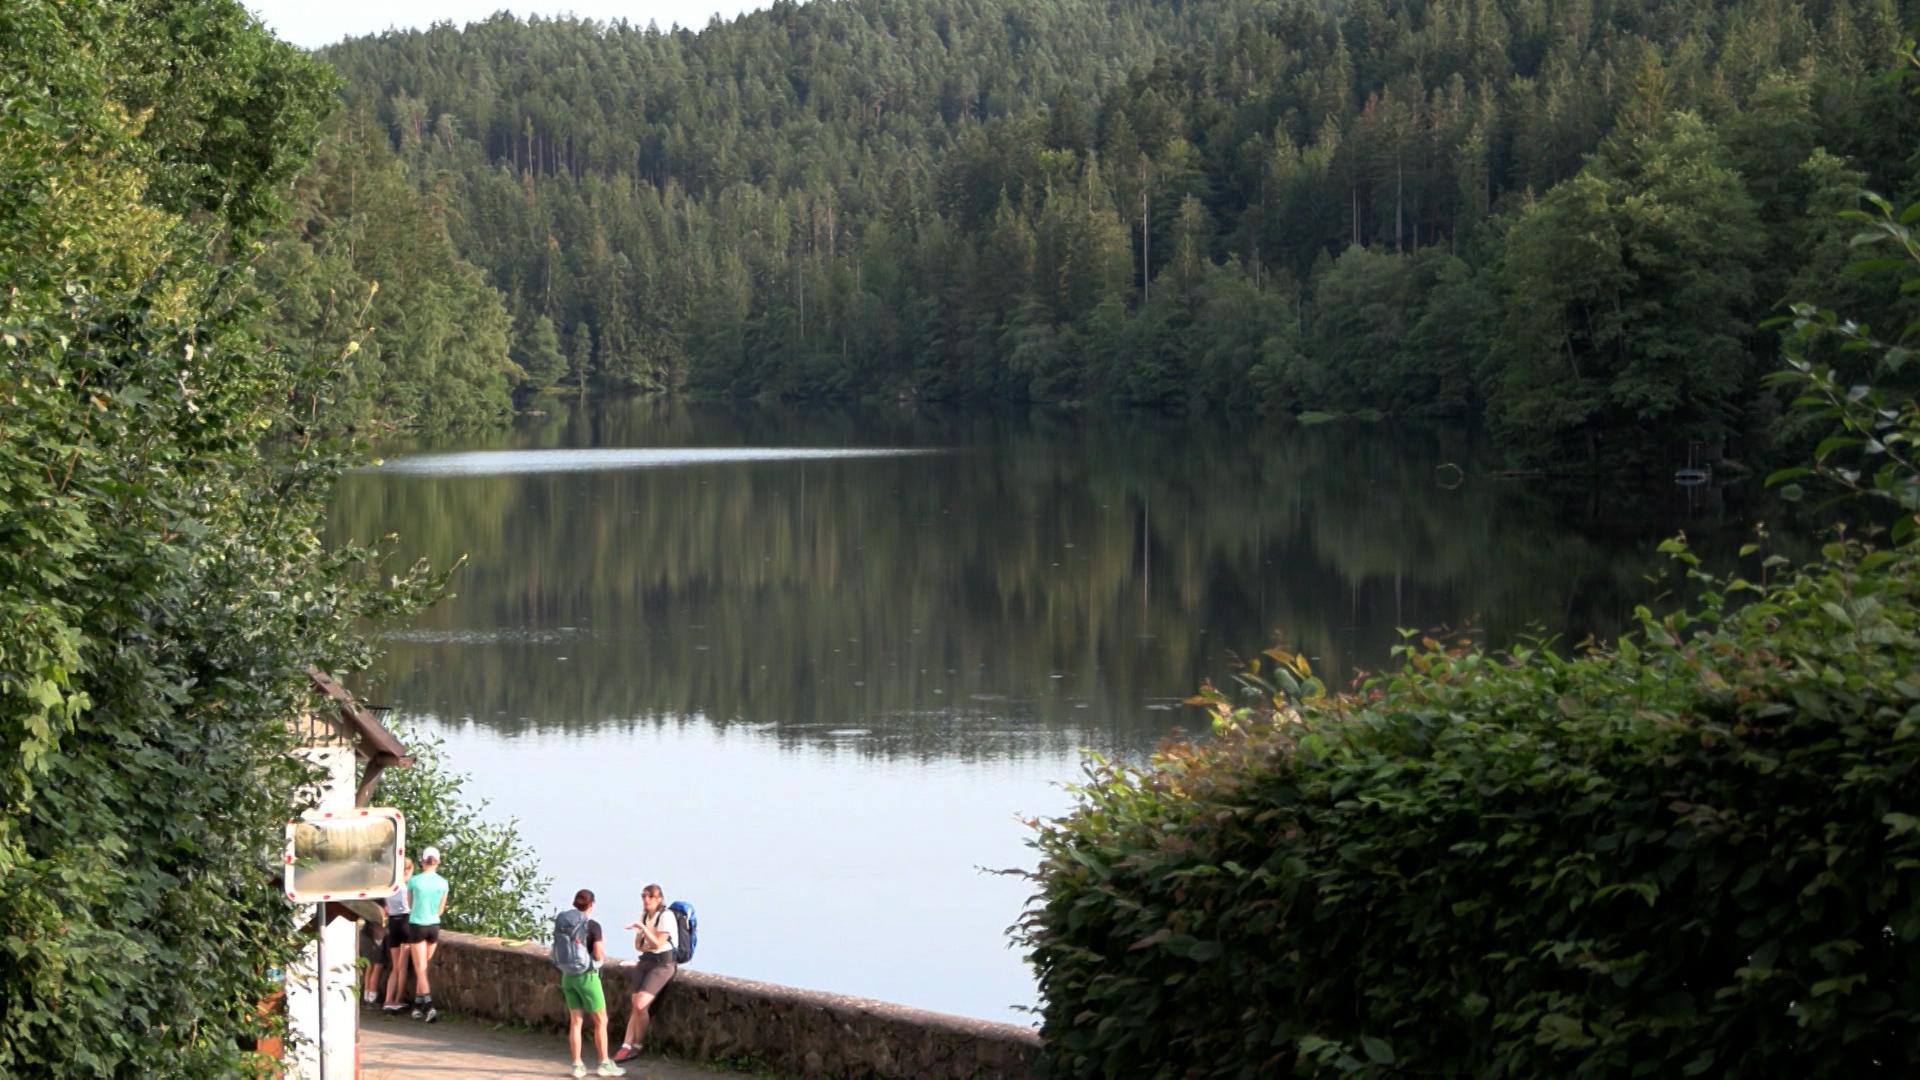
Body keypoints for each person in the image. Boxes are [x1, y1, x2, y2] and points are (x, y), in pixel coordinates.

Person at [558, 889, 624, 1078]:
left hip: (568, 976)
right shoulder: (593, 926)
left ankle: (577, 1065)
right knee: (601, 1020)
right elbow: (597, 954)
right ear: (591, 905)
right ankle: (604, 1062)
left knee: (576, 1022)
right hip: (587, 977)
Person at [613, 884, 677, 1065]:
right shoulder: (644, 916)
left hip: (663, 963)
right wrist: (646, 932)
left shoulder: (666, 916)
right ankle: (626, 1044)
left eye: (650, 896)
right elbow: (639, 945)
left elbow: (658, 943)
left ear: (659, 899)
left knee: (641, 1005)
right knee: (635, 1004)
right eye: (643, 896)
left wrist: (643, 928)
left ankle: (637, 1045)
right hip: (646, 961)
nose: (646, 900)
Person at [405, 846, 450, 1022]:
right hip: (434, 927)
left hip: (417, 924)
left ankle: (429, 1005)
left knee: (420, 968)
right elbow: (441, 909)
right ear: (438, 862)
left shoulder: (414, 881)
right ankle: (417, 1005)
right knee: (423, 967)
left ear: (422, 861)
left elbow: (409, 904)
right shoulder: (443, 883)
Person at [381, 856, 415, 1013]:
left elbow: (386, 908)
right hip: (406, 922)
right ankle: (398, 1000)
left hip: (393, 923)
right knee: (403, 966)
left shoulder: (389, 886)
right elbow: (412, 905)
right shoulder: (407, 886)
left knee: (395, 966)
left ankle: (387, 1000)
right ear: (408, 870)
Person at [358, 916, 386, 1006]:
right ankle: (372, 997)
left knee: (370, 966)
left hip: (365, 934)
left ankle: (367, 996)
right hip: (375, 935)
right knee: (378, 966)